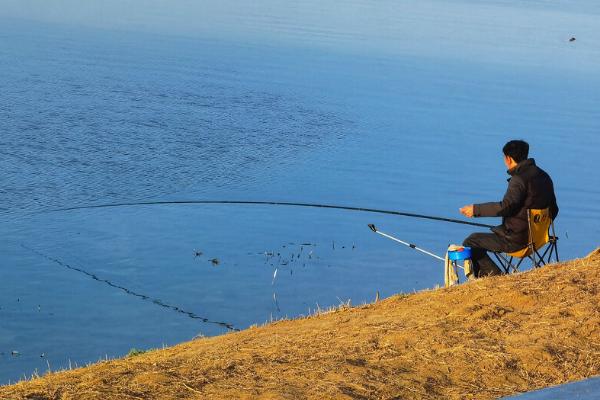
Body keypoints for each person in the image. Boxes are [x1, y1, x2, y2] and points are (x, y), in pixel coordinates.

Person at [459, 140, 558, 277]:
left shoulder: (519, 180)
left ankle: (494, 276)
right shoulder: (544, 176)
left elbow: (505, 207)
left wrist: (475, 210)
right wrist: (537, 227)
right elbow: (554, 210)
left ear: (508, 158)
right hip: (539, 239)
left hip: (518, 242)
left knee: (471, 241)